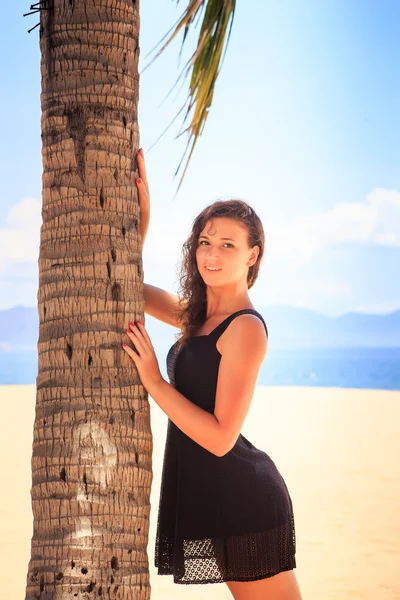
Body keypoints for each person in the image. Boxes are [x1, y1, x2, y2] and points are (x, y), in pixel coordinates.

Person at [123, 148, 303, 600]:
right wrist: (143, 224)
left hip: (245, 500)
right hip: (213, 494)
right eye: (205, 241)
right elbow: (131, 285)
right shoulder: (198, 316)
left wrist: (155, 382)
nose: (212, 254)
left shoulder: (245, 328)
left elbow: (222, 437)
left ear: (252, 256)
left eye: (228, 245)